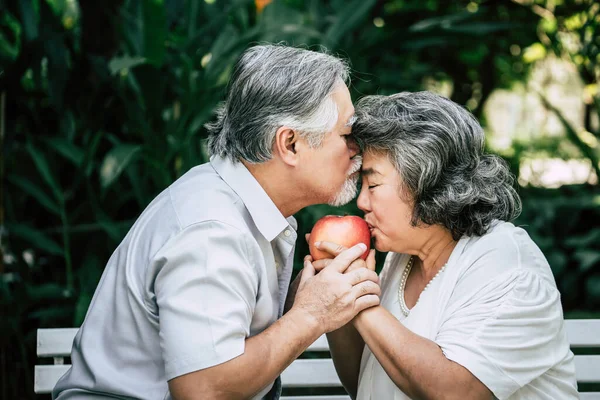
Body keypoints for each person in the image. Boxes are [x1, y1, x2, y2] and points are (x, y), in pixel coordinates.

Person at [53, 44, 381, 400]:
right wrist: (311, 315)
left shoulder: (242, 204)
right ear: (289, 144)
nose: (357, 149)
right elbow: (204, 390)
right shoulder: (213, 230)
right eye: (347, 134)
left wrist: (305, 295)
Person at [310, 91, 578, 399]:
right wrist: (338, 298)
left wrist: (357, 299)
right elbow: (365, 381)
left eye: (373, 184)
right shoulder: (403, 256)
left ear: (427, 181)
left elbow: (453, 392)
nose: (361, 201)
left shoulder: (507, 263)